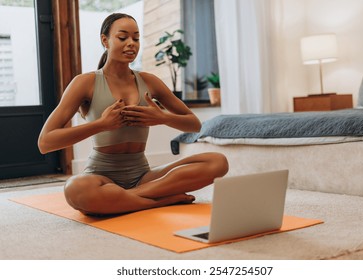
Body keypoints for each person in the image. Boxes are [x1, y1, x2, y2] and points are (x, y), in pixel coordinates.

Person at [38, 13, 229, 216]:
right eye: (123, 38)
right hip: (101, 176)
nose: (131, 44)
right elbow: (46, 142)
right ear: (105, 40)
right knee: (76, 190)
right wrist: (101, 124)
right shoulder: (85, 83)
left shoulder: (149, 81)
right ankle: (158, 201)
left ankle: (127, 198)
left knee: (217, 162)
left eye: (136, 38)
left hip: (143, 175)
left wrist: (162, 118)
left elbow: (194, 124)